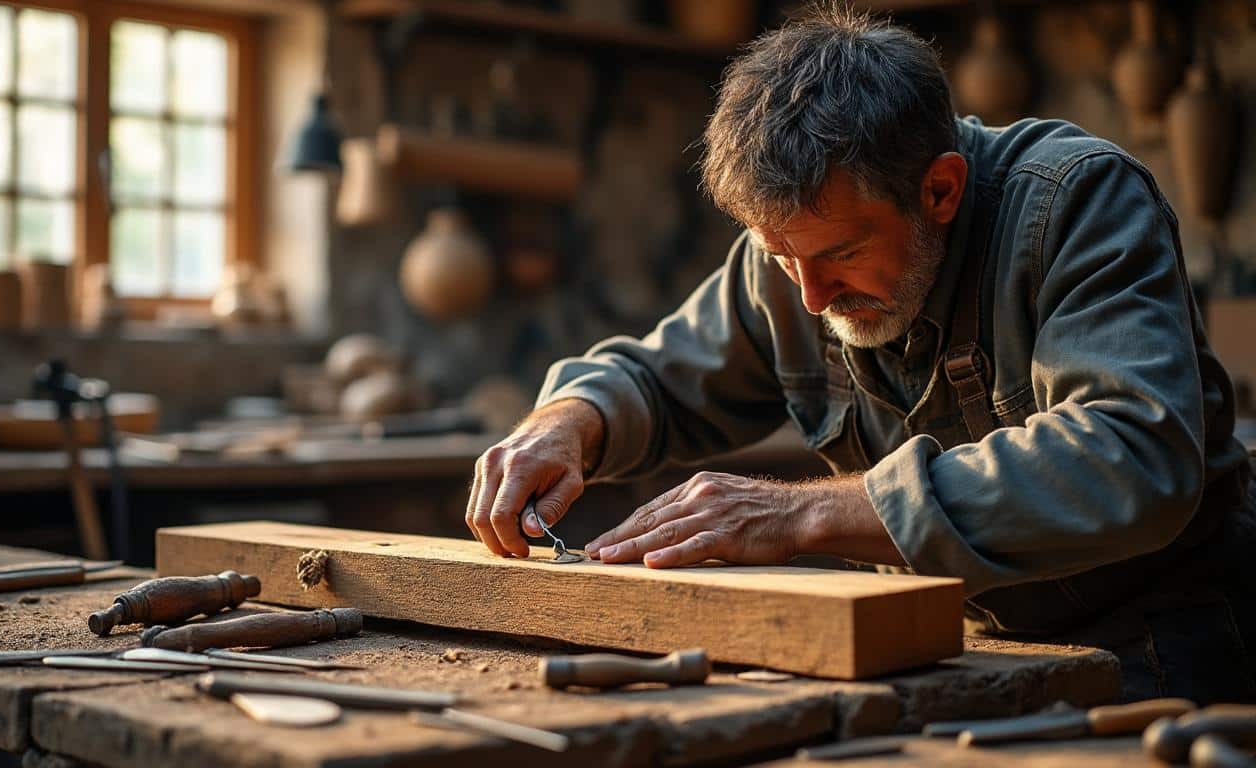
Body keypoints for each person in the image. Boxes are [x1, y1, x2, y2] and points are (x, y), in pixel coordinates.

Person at [465, 4, 1255, 703]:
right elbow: (655, 378)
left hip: (1158, 650)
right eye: (780, 257)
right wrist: (571, 420)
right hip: (951, 646)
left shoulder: (1076, 203)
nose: (808, 296)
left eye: (838, 254)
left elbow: (1132, 455)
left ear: (940, 191)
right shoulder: (792, 260)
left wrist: (805, 510)